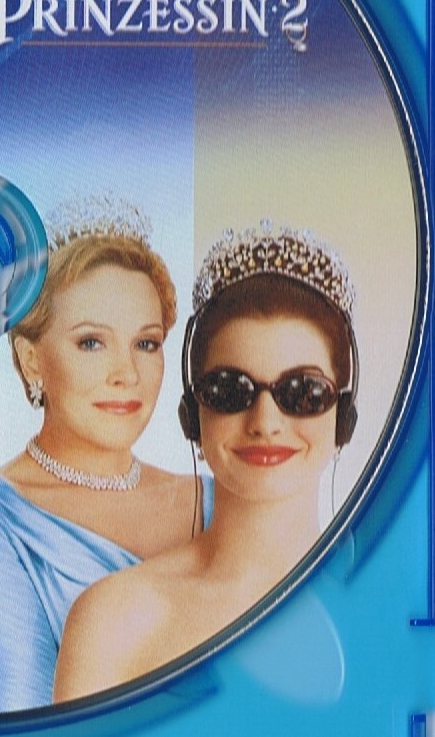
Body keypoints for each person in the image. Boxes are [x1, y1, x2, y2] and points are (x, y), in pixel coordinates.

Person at [53, 222, 358, 702]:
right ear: (193, 415)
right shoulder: (112, 620)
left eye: (303, 392)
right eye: (231, 391)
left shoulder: (387, 607)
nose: (265, 422)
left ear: (343, 416)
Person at [0, 198, 211, 714]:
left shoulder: (212, 498)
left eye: (146, 343)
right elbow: (16, 719)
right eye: (92, 343)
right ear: (32, 361)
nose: (126, 374)